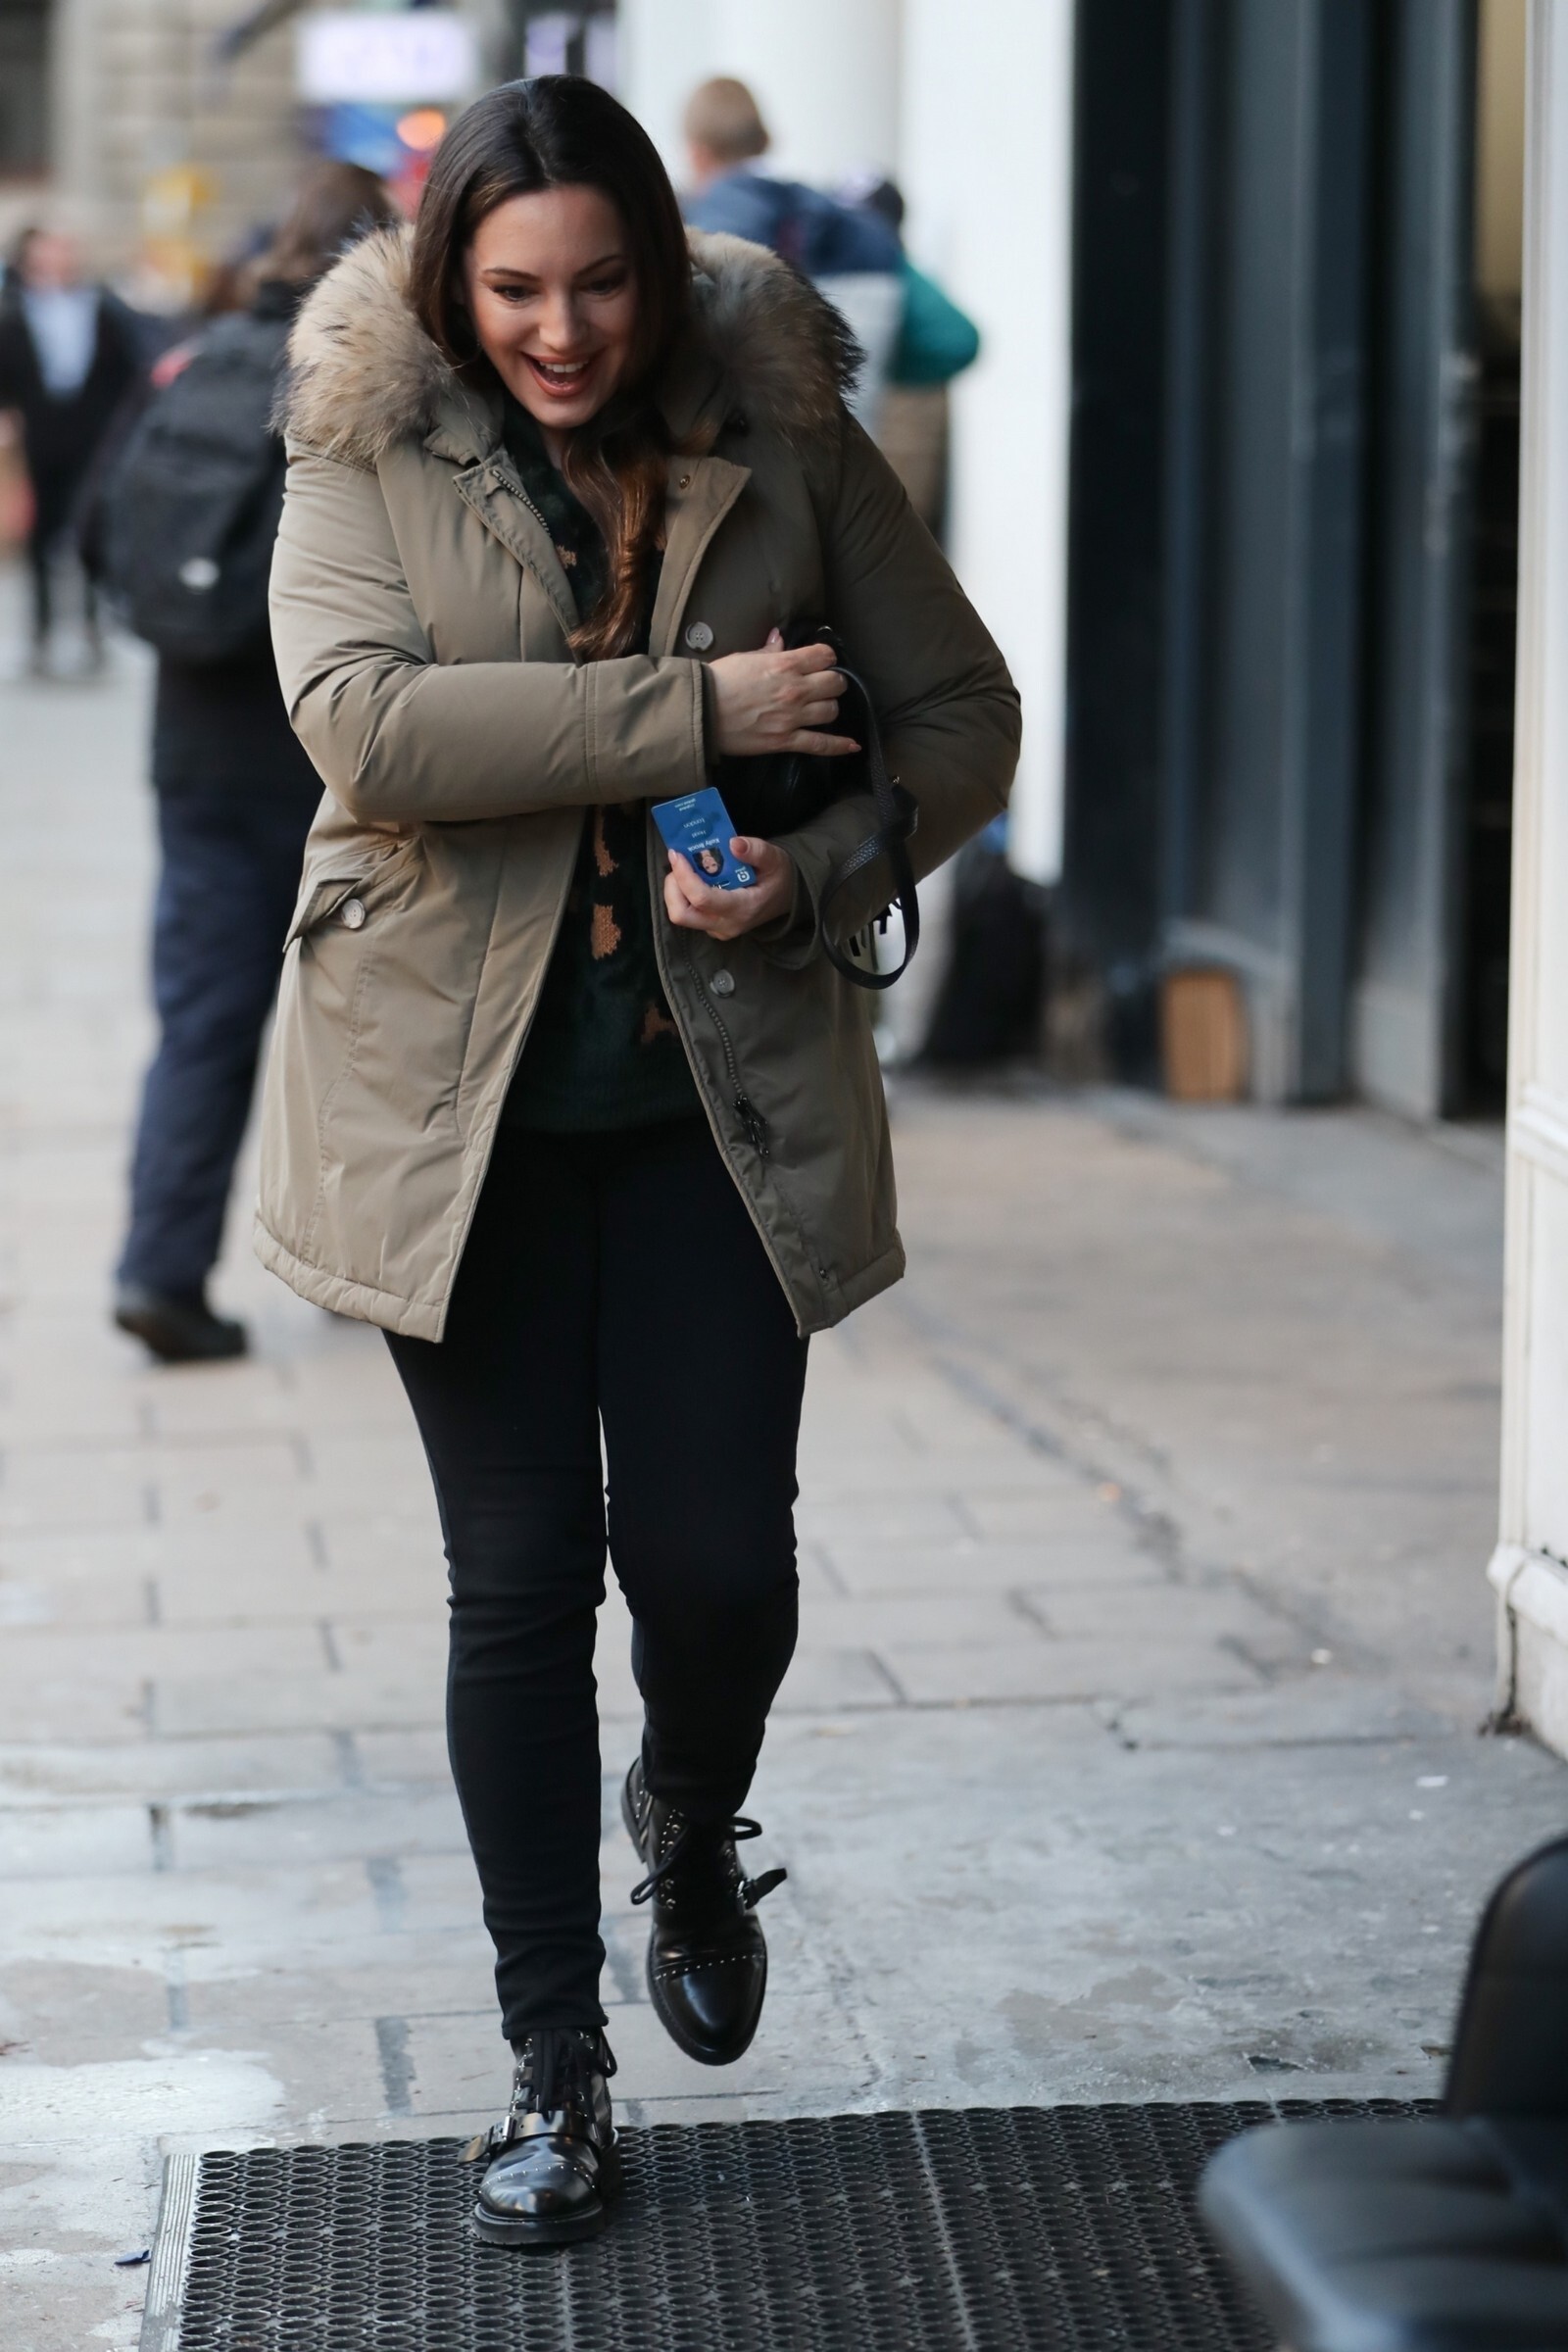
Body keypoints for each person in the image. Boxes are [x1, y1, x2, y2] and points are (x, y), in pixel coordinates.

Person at [260, 75, 1019, 2248]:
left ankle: (688, 1817)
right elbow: (368, 724)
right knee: (516, 1589)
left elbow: (959, 715)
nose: (561, 329)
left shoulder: (776, 425)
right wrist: (704, 713)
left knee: (716, 1571)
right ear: (450, 281)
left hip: (718, 1105)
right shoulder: (364, 435)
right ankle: (553, 2064)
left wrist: (817, 869)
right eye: (515, 288)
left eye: (602, 282)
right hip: (449, 1113)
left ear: (662, 270)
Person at [110, 164, 402, 1365]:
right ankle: (357, 1267)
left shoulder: (194, 360)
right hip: (333, 757)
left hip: (192, 754)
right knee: (366, 1023)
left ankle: (160, 1270)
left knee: (203, 1022)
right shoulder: (370, 375)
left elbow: (101, 531)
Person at [681, 76, 905, 435]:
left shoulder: (722, 206)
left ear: (699, 155)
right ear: (761, 139)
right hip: (863, 315)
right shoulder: (802, 198)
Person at [0, 225, 142, 676]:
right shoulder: (13, 311)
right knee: (41, 534)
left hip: (92, 437)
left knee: (87, 529)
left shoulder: (101, 307)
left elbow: (129, 368)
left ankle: (91, 627)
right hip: (40, 435)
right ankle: (42, 631)